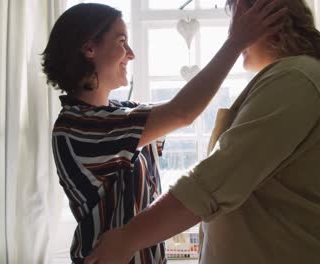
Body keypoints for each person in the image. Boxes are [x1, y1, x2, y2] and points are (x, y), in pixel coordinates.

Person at [86, 0, 320, 263]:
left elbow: (212, 181)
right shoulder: (289, 80)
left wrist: (127, 239)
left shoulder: (296, 80)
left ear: (267, 19)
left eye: (237, 20)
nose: (233, 31)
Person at [43, 1, 285, 263]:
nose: (131, 53)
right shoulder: (77, 127)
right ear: (89, 48)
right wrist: (235, 42)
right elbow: (182, 112)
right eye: (122, 41)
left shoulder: (121, 113)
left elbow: (181, 110)